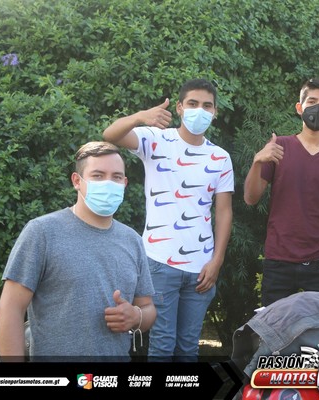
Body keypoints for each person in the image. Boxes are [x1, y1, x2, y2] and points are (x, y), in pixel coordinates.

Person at [102, 78, 234, 362]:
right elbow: (110, 134)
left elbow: (224, 211)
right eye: (193, 103)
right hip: (159, 261)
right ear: (179, 107)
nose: (200, 110)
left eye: (207, 106)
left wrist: (217, 261)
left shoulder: (220, 157)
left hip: (202, 267)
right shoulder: (155, 139)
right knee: (162, 346)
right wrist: (140, 117)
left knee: (188, 348)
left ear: (215, 112)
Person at [0, 141, 156, 361]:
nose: (108, 183)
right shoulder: (42, 232)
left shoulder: (133, 240)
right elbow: (10, 309)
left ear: (125, 183)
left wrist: (136, 317)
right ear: (77, 181)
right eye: (98, 176)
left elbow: (148, 308)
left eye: (116, 177)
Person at [243, 78, 319, 309]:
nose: (318, 107)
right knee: (274, 327)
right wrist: (257, 161)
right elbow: (250, 198)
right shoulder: (279, 147)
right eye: (312, 101)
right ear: (299, 107)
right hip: (279, 260)